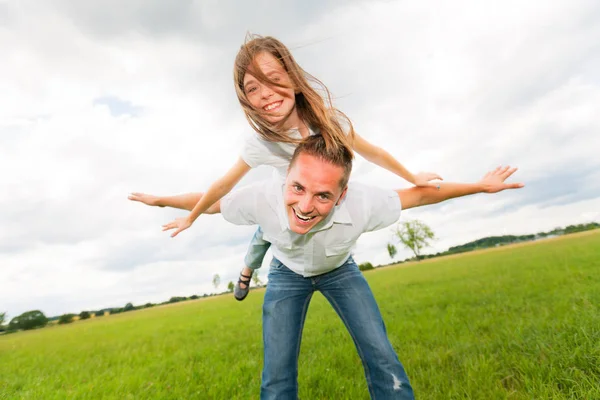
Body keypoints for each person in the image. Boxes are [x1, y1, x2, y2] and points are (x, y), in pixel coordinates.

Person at [161, 134, 524, 399]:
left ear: (342, 195)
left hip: (339, 271)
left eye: (323, 196)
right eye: (298, 188)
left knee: (381, 355)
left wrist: (481, 186)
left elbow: (426, 194)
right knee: (276, 374)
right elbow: (209, 202)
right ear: (285, 179)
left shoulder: (365, 202)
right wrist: (161, 201)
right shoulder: (260, 198)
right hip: (287, 274)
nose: (305, 206)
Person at [128, 35, 442, 301]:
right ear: (246, 99)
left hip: (315, 205)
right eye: (252, 89)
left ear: (292, 78)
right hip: (282, 207)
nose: (265, 93)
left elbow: (373, 153)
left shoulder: (328, 121)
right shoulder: (261, 143)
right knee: (260, 235)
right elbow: (222, 188)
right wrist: (190, 217)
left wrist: (412, 177)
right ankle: (246, 273)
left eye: (273, 80)